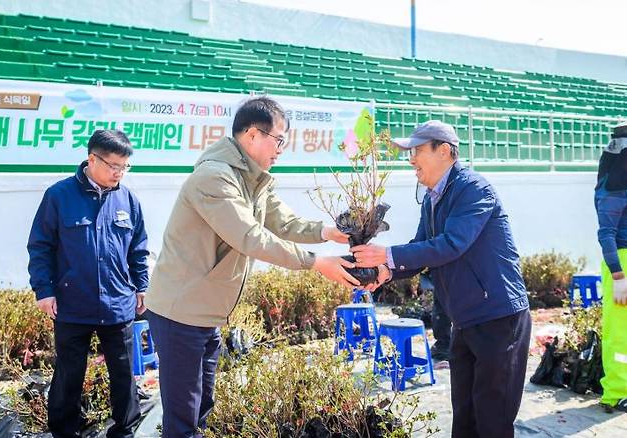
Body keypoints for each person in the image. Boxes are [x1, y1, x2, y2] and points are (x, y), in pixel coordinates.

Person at [144, 96, 359, 437]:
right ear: (252, 135)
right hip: (179, 313)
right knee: (183, 419)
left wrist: (326, 232)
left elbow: (283, 221)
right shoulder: (215, 178)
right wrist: (316, 262)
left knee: (201, 408)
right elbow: (251, 237)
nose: (281, 149)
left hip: (205, 313)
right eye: (279, 140)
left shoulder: (252, 178)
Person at [353, 120, 531, 438]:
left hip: (498, 319)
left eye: (418, 150)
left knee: (492, 420)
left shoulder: (473, 189)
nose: (411, 159)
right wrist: (385, 272)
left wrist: (386, 254)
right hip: (464, 320)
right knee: (464, 418)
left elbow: (451, 245)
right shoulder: (432, 198)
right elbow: (420, 249)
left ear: (445, 151)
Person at [27, 130, 149, 438]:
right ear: (91, 159)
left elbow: (138, 247)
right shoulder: (59, 196)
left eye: (125, 166)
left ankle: (124, 431)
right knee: (69, 374)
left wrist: (141, 285)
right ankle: (65, 432)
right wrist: (44, 290)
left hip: (118, 302)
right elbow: (40, 246)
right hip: (72, 303)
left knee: (123, 375)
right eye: (113, 165)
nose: (119, 172)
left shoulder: (128, 199)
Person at [594, 120, 627, 412]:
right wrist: (618, 275)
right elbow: (606, 233)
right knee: (619, 331)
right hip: (621, 264)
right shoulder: (614, 182)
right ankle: (616, 392)